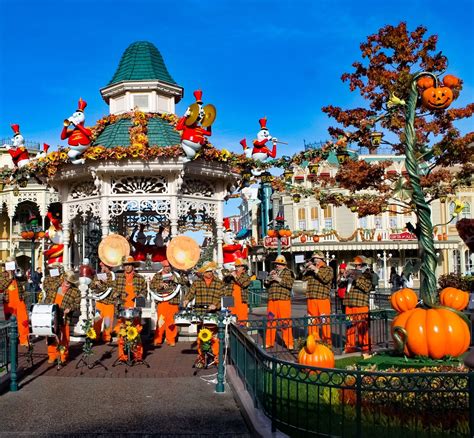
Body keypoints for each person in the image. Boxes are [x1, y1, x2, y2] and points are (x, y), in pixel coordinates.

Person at [183, 261, 228, 368]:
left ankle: (217, 358)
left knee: (214, 338)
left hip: (214, 315)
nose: (210, 273)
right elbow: (190, 293)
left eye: (211, 271)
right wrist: (186, 300)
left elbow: (224, 297)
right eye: (207, 271)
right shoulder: (197, 283)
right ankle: (202, 358)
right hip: (200, 314)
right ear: (203, 273)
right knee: (201, 337)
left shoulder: (219, 283)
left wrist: (216, 305)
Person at [114, 256, 147, 362]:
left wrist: (140, 296)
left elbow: (145, 292)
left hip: (135, 309)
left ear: (133, 266)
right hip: (122, 309)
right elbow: (113, 291)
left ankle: (137, 355)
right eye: (126, 265)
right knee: (122, 333)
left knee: (136, 333)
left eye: (129, 265)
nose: (127, 267)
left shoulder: (140, 278)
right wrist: (115, 294)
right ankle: (122, 356)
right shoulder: (118, 278)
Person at [44, 271, 81, 363]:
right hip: (52, 315)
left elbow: (77, 304)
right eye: (66, 281)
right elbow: (46, 290)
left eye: (69, 282)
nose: (67, 284)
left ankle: (63, 355)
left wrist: (70, 308)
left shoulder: (76, 291)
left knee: (64, 337)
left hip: (65, 317)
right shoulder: (55, 286)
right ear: (63, 279)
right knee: (51, 336)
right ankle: (52, 355)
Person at [264, 255, 295, 350]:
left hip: (283, 300)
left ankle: (289, 343)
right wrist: (268, 277)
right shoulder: (273, 272)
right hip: (272, 300)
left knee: (285, 322)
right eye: (277, 264)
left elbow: (290, 284)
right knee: (270, 321)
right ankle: (269, 342)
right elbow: (266, 285)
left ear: (284, 264)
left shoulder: (289, 272)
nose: (278, 265)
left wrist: (278, 279)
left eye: (280, 264)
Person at [343, 256, 372, 353]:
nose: (355, 267)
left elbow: (366, 288)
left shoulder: (367, 274)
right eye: (355, 265)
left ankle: (365, 346)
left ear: (363, 265)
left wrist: (356, 278)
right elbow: (340, 285)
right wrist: (343, 277)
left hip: (360, 304)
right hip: (349, 304)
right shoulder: (352, 274)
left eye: (358, 265)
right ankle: (350, 346)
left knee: (362, 326)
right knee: (349, 326)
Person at [303, 251, 334, 344]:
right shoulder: (311, 270)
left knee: (325, 322)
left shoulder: (328, 269)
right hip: (311, 298)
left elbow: (326, 279)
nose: (315, 260)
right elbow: (302, 278)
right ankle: (314, 342)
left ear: (322, 259)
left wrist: (316, 270)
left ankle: (327, 343)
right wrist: (305, 269)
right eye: (313, 258)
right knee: (311, 322)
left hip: (322, 299)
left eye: (316, 258)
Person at [150, 260, 181, 347]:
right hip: (162, 301)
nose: (168, 268)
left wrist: (174, 279)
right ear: (163, 267)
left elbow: (184, 282)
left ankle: (170, 339)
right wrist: (159, 285)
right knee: (161, 320)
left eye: (169, 266)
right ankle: (158, 338)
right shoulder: (157, 275)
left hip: (173, 301)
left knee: (171, 321)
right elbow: (151, 286)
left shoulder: (176, 275)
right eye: (166, 266)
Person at [0, 257, 30, 346]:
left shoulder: (18, 272)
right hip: (8, 301)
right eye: (9, 263)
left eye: (12, 263)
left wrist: (17, 270)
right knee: (9, 322)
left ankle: (24, 340)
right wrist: (9, 277)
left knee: (23, 321)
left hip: (20, 300)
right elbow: (1, 287)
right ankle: (9, 340)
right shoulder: (2, 275)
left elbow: (25, 279)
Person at [90, 261, 116, 343]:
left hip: (109, 302)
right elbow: (91, 286)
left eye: (103, 265)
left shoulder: (113, 276)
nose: (101, 266)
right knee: (97, 319)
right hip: (99, 301)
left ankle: (106, 337)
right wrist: (95, 283)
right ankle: (95, 336)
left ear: (108, 266)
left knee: (108, 321)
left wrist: (106, 282)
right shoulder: (98, 275)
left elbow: (115, 286)